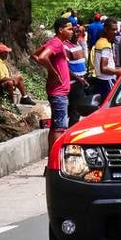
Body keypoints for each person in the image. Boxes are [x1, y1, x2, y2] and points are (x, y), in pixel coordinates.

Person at [33, 17, 73, 151]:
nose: (72, 31)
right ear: (61, 30)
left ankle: (52, 159)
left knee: (56, 126)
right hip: (59, 92)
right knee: (59, 127)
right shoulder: (56, 43)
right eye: (69, 29)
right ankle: (55, 160)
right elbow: (43, 57)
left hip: (58, 91)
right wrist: (54, 73)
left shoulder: (55, 42)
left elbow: (35, 55)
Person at [88, 17, 121, 100]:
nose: (115, 32)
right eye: (113, 30)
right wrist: (119, 71)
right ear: (105, 29)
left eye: (116, 30)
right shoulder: (105, 45)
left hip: (100, 80)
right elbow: (104, 68)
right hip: (107, 81)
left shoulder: (100, 41)